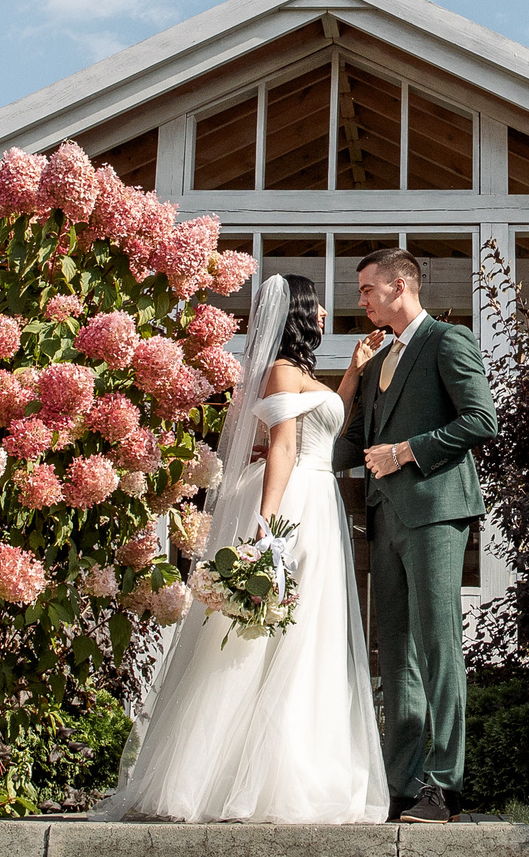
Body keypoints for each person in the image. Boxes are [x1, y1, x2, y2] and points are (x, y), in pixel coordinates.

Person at [96, 276, 387, 823]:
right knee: (274, 633)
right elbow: (282, 447)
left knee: (309, 631)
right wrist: (267, 525)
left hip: (320, 498)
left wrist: (351, 374)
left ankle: (293, 765)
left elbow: (327, 427)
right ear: (300, 313)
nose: (327, 312)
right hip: (297, 498)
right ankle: (238, 777)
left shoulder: (300, 375)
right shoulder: (281, 371)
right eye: (318, 305)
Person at [333, 247, 498, 824]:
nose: (360, 300)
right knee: (395, 654)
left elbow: (481, 420)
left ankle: (445, 785)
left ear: (400, 285)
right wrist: (290, 457)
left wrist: (406, 452)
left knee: (437, 646)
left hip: (434, 512)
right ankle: (401, 785)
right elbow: (353, 441)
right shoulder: (379, 358)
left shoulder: (447, 341)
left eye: (366, 289)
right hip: (385, 520)